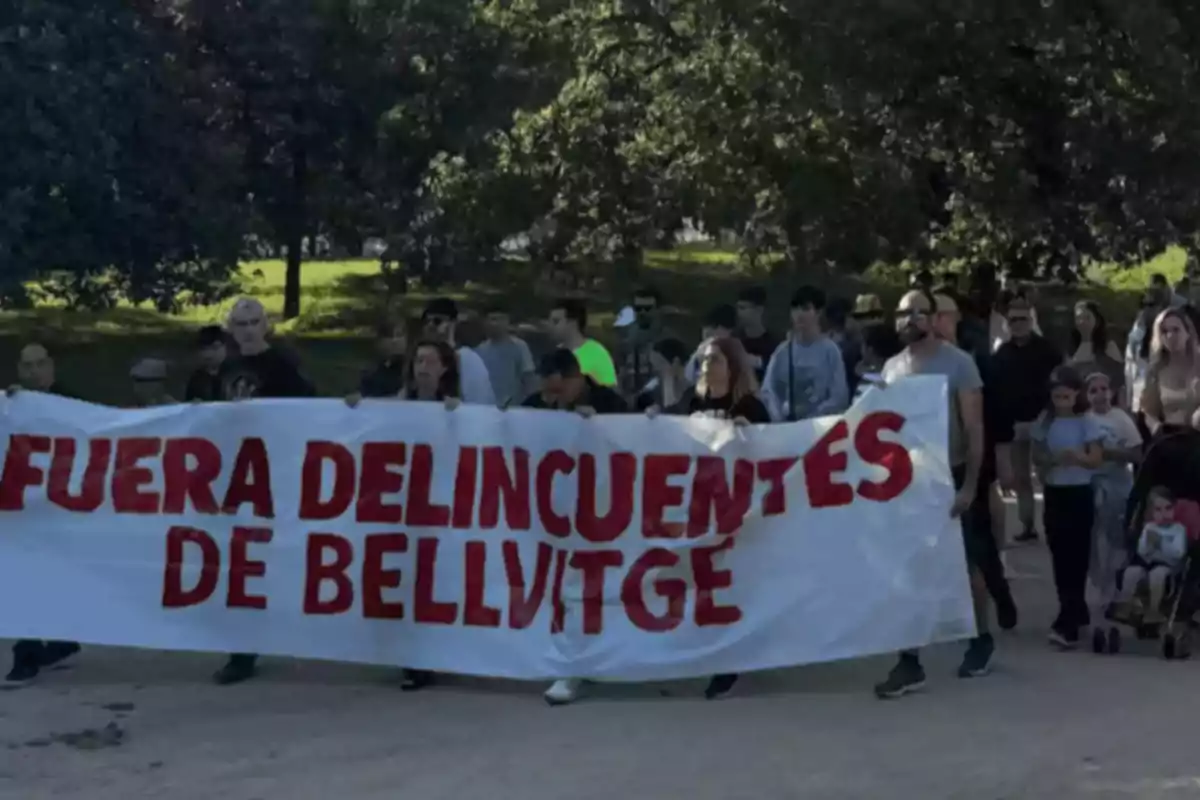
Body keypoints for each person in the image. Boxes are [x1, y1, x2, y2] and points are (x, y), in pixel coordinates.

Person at [873, 289, 994, 699]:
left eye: (919, 312)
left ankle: (980, 638)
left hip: (953, 474)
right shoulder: (891, 369)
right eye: (903, 312)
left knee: (967, 563)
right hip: (909, 480)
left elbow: (975, 429)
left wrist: (971, 485)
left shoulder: (958, 363)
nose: (910, 319)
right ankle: (909, 661)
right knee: (909, 568)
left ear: (934, 318)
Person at [647, 337, 769, 700]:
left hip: (736, 512)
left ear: (732, 366)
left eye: (713, 359)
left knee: (730, 585)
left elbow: (775, 452)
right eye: (701, 360)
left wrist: (754, 436)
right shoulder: (692, 402)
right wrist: (654, 420)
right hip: (695, 511)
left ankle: (731, 662)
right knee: (700, 583)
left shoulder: (750, 406)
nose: (705, 366)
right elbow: (669, 430)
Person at [213, 298, 316, 686]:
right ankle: (242, 651)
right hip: (237, 478)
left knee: (281, 558)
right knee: (240, 563)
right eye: (240, 323)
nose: (248, 329)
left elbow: (309, 411)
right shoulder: (227, 368)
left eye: (255, 322)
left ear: (266, 324)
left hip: (275, 475)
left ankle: (294, 633)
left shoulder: (284, 367)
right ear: (232, 329)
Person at [524, 350, 627, 706]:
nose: (551, 400)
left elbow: (635, 443)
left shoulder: (608, 402)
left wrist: (600, 425)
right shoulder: (536, 403)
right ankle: (570, 661)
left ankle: (578, 664)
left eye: (558, 392)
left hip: (598, 509)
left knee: (587, 586)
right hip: (550, 510)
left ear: (575, 379)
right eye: (547, 393)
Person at [933, 290, 1018, 629]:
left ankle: (999, 593)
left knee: (979, 543)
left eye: (944, 314)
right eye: (934, 314)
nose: (938, 322)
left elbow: (997, 413)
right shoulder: (915, 361)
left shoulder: (975, 360)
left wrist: (1002, 458)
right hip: (937, 464)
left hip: (976, 461)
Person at [5, 343, 82, 683]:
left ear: (51, 366)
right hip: (28, 508)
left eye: (40, 363)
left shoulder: (72, 402)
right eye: (27, 365)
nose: (35, 371)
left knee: (44, 578)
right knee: (26, 577)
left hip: (60, 509)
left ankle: (34, 651)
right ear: (20, 370)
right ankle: (36, 647)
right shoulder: (14, 406)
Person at [1029, 365, 1104, 648]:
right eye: (1056, 395)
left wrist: (1078, 457)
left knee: (1077, 556)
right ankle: (1071, 607)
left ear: (1076, 394)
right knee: (1059, 554)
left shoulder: (1086, 421)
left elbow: (1096, 459)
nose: (1061, 401)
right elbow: (1037, 456)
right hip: (1055, 492)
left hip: (1079, 493)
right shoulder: (1045, 421)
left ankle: (1069, 618)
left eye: (1066, 395)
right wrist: (1051, 460)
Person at [993, 296, 1063, 543]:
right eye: (1013, 320)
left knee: (1047, 475)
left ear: (1031, 320)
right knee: (1021, 478)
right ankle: (1027, 525)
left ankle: (1054, 525)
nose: (1018, 324)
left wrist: (1050, 415)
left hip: (1043, 421)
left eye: (1022, 319)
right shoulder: (1001, 354)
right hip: (1014, 425)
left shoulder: (1048, 350)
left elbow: (1060, 382)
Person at [1085, 372, 1142, 613]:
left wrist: (1107, 454)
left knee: (1118, 539)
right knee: (1094, 540)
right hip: (1093, 483)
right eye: (1093, 390)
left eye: (1103, 389)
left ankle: (1118, 590)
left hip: (1119, 484)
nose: (1100, 395)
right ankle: (1097, 587)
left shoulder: (1121, 419)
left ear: (1111, 392)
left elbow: (1137, 454)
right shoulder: (1083, 419)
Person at [761, 286, 850, 422]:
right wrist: (778, 418)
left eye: (806, 309)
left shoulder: (830, 351)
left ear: (818, 312)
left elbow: (839, 397)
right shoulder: (782, 351)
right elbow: (768, 391)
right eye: (795, 309)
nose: (799, 314)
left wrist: (814, 418)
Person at [1115, 487, 1187, 625]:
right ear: (1151, 512)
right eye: (1158, 510)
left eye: (1168, 508)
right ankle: (1125, 605)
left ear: (1174, 509)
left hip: (1169, 567)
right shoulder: (1149, 528)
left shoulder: (1178, 529)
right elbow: (1142, 551)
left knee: (1157, 574)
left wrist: (1161, 543)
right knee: (1131, 572)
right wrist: (1148, 544)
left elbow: (1178, 553)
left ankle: (1153, 610)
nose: (1164, 514)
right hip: (1147, 564)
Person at [420, 298, 495, 406]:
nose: (430, 325)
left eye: (437, 321)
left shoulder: (468, 359)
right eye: (426, 321)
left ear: (453, 323)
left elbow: (479, 402)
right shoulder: (421, 358)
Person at [1140, 308, 1200, 436]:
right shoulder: (1155, 370)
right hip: (1172, 437)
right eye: (1164, 331)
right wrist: (1157, 428)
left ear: (1188, 333)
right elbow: (1149, 412)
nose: (1170, 336)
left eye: (1176, 330)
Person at [547, 298, 618, 388]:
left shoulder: (596, 353)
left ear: (572, 323)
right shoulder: (554, 354)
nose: (550, 326)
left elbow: (610, 393)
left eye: (556, 321)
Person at [475, 306, 537, 407]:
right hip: (486, 408)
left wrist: (530, 406)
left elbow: (528, 379)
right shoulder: (480, 350)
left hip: (514, 409)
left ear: (507, 322)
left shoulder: (520, 347)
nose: (494, 324)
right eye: (491, 319)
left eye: (499, 319)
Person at [618, 286, 670, 398]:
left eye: (647, 308)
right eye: (638, 308)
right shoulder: (624, 343)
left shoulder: (669, 341)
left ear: (658, 310)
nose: (642, 312)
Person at [1068, 301, 1124, 403]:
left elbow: (1119, 382)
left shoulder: (1108, 346)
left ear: (1097, 320)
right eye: (1078, 318)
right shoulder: (1071, 348)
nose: (1082, 321)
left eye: (1087, 317)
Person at [735, 286, 779, 382]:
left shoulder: (775, 345)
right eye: (738, 308)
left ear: (759, 310)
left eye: (743, 308)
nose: (739, 313)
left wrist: (759, 363)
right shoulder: (734, 341)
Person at [685, 304, 738, 383]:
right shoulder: (698, 353)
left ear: (729, 330)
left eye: (715, 327)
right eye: (706, 328)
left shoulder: (739, 354)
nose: (710, 333)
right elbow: (688, 380)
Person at [635, 338, 691, 412]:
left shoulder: (693, 390)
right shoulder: (654, 391)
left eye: (660, 364)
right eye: (654, 365)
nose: (656, 369)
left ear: (675, 362)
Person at [852, 323, 902, 402]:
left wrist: (865, 374)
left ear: (870, 349)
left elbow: (885, 383)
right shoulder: (899, 368)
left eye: (862, 345)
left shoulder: (869, 381)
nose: (860, 350)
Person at [358, 320, 408, 399]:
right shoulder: (370, 372)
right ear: (380, 342)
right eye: (389, 336)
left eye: (399, 335)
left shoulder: (414, 367)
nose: (394, 341)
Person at [183, 325, 229, 402]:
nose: (209, 354)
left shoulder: (234, 374)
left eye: (215, 348)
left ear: (225, 347)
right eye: (204, 349)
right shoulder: (196, 380)